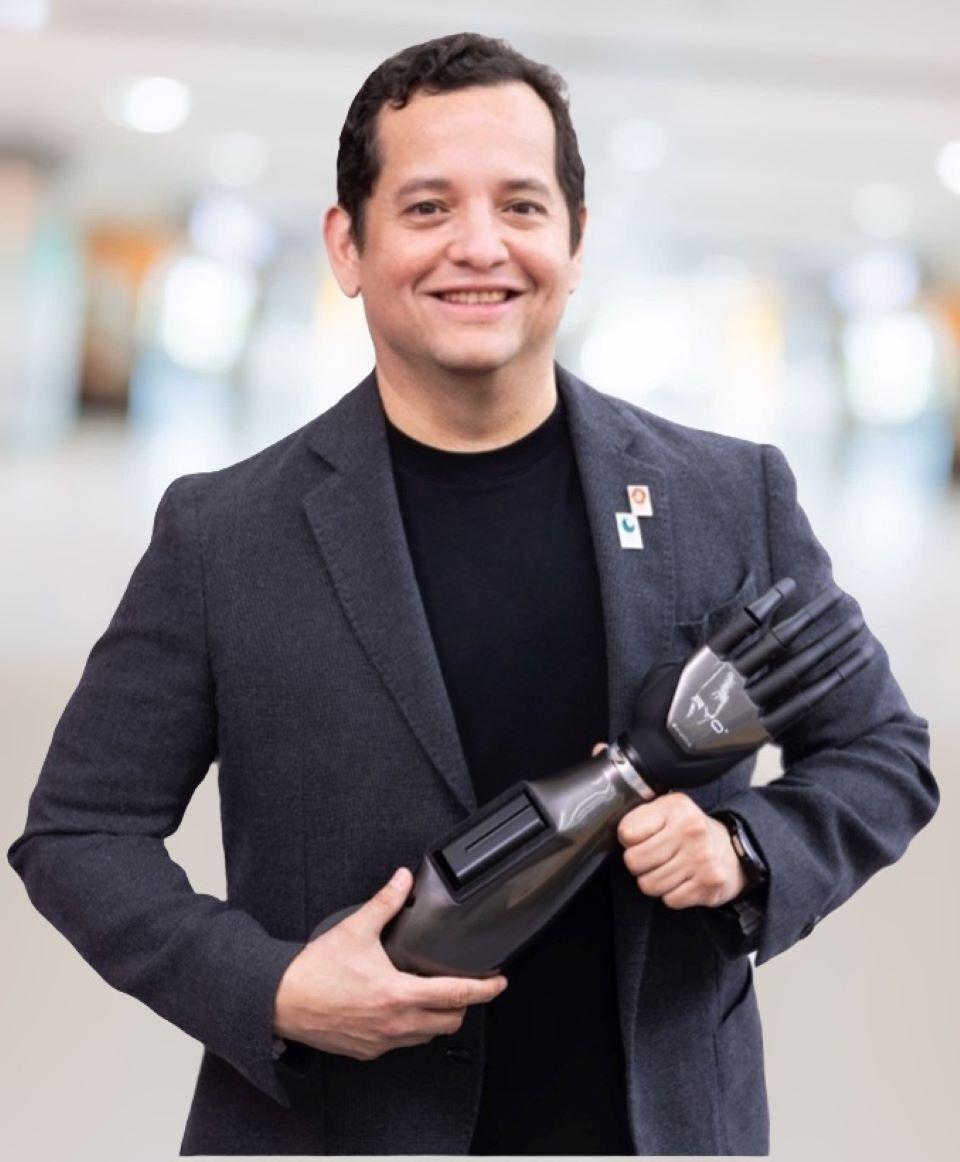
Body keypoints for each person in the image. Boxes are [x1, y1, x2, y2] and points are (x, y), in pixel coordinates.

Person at [8, 31, 938, 1157]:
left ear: (578, 241)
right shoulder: (224, 534)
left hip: (655, 1127)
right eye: (430, 207)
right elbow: (79, 830)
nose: (482, 247)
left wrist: (747, 849)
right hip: (335, 1130)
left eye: (523, 206)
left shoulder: (724, 494)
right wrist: (274, 988)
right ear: (348, 245)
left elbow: (883, 751)